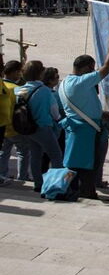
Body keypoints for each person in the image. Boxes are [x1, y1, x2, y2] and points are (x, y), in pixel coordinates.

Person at [60, 33, 109, 198]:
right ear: (84, 68)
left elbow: (81, 103)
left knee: (74, 162)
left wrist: (99, 113)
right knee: (88, 164)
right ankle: (86, 191)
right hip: (86, 129)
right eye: (91, 69)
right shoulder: (80, 82)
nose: (93, 72)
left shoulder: (65, 82)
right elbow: (108, 67)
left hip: (77, 127)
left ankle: (73, 189)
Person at [14, 60, 64, 192]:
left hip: (27, 128)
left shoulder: (19, 90)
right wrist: (59, 120)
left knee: (35, 155)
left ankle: (38, 183)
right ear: (40, 73)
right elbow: (54, 111)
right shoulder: (45, 91)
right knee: (56, 155)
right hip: (43, 127)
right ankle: (55, 186)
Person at [0, 61, 26, 185]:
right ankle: (22, 178)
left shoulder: (2, 85)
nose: (20, 74)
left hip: (3, 126)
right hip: (15, 128)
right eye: (19, 71)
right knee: (23, 152)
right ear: (15, 72)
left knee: (4, 152)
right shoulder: (16, 89)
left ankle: (2, 175)